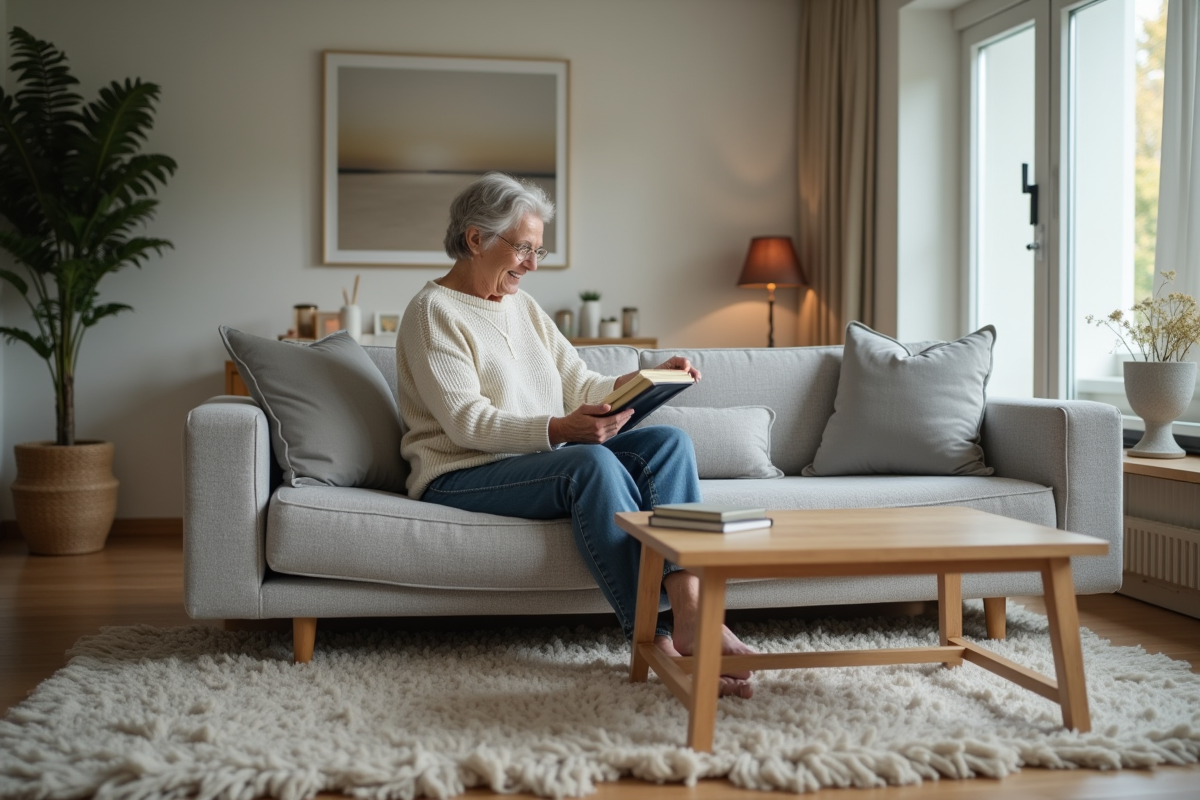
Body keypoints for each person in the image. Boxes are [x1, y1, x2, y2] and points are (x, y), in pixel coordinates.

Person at [395, 172, 754, 697]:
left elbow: (580, 383)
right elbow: (466, 422)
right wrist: (561, 429)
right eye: (523, 249)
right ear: (476, 239)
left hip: (531, 461)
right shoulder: (433, 313)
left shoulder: (523, 307)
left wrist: (647, 380)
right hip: (460, 471)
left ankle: (693, 611)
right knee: (590, 462)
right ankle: (653, 639)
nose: (533, 265)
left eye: (538, 251)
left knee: (669, 444)